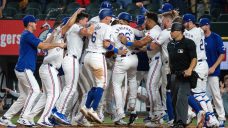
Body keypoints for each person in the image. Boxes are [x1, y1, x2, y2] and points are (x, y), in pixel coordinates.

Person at [0, 15, 66, 127]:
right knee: (35, 90)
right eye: (34, 22)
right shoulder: (27, 35)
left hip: (22, 68)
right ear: (30, 23)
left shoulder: (28, 35)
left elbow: (43, 43)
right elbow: (42, 46)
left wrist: (54, 34)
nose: (36, 24)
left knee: (24, 96)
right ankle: (24, 117)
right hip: (24, 68)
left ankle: (6, 117)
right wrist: (58, 44)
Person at [80, 8, 127, 124]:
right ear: (106, 17)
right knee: (102, 84)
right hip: (97, 57)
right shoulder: (107, 27)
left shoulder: (94, 25)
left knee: (95, 85)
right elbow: (106, 44)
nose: (111, 19)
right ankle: (93, 109)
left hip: (87, 56)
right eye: (110, 17)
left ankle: (85, 108)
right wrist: (117, 51)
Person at [119, 11, 163, 127]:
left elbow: (140, 42)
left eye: (145, 20)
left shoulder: (155, 30)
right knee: (151, 88)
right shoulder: (152, 30)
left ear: (149, 20)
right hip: (154, 60)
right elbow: (142, 43)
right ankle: (158, 113)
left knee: (150, 87)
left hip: (157, 60)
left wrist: (126, 42)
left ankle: (156, 114)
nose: (144, 22)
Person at [52, 10, 95, 125]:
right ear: (80, 20)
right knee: (71, 88)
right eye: (85, 20)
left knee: (70, 88)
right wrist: (95, 25)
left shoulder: (75, 28)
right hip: (71, 59)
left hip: (72, 59)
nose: (86, 22)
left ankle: (55, 111)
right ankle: (59, 112)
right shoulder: (76, 26)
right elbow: (88, 32)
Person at [167, 22, 197, 128]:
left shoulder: (189, 43)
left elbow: (194, 58)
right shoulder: (170, 44)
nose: (170, 33)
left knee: (181, 97)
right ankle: (176, 121)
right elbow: (171, 60)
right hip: (174, 75)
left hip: (185, 75)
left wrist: (190, 69)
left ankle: (181, 122)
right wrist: (169, 73)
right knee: (174, 99)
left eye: (172, 31)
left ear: (179, 31)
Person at [199, 17, 226, 127]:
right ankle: (208, 118)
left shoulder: (216, 37)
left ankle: (221, 118)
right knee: (204, 96)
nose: (202, 27)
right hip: (202, 72)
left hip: (213, 72)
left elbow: (222, 54)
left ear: (208, 25)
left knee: (216, 95)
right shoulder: (199, 37)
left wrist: (214, 67)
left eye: (203, 25)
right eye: (201, 25)